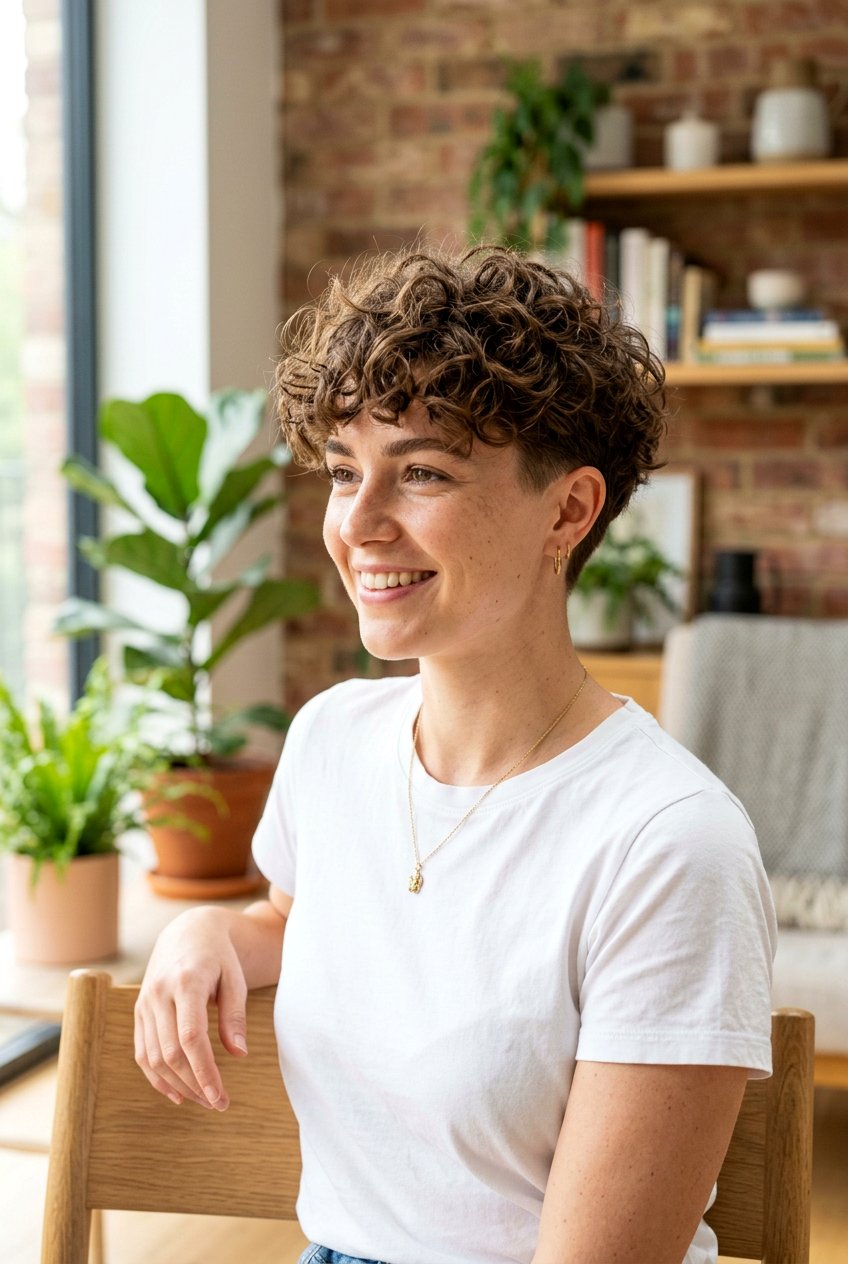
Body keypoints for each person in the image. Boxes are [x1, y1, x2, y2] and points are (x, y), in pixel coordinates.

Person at [135, 246, 776, 1264]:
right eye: (346, 471)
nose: (356, 523)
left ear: (568, 510)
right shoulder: (332, 741)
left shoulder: (668, 844)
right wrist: (205, 935)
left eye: (420, 471)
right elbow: (298, 923)